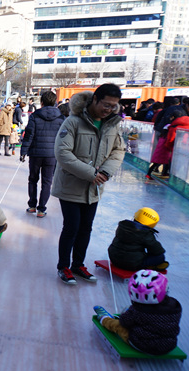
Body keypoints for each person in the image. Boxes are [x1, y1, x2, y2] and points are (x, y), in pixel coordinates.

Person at [52, 83, 126, 285]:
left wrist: (105, 172)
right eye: (106, 104)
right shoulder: (73, 122)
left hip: (94, 188)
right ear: (95, 99)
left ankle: (78, 264)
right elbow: (63, 153)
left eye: (113, 106)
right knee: (72, 227)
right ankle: (63, 266)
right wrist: (90, 173)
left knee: (86, 228)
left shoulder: (112, 124)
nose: (109, 109)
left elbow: (119, 150)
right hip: (70, 186)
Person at [94, 270, 181, 356]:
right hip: (169, 345)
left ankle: (104, 319)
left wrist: (128, 316)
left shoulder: (137, 311)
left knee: (118, 326)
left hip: (142, 345)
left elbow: (124, 323)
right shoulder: (175, 306)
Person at [20, 91, 65, 218]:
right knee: (47, 182)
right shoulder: (61, 118)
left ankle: (32, 205)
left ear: (42, 102)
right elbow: (63, 137)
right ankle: (41, 209)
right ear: (55, 102)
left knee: (33, 179)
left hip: (35, 154)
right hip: (52, 155)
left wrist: (23, 152)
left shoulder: (35, 116)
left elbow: (29, 135)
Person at [147, 108, 189, 179]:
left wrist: (169, 146)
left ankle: (156, 174)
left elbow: (170, 139)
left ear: (173, 117)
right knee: (175, 163)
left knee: (160, 161)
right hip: (187, 147)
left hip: (166, 147)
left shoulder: (172, 126)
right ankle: (171, 176)